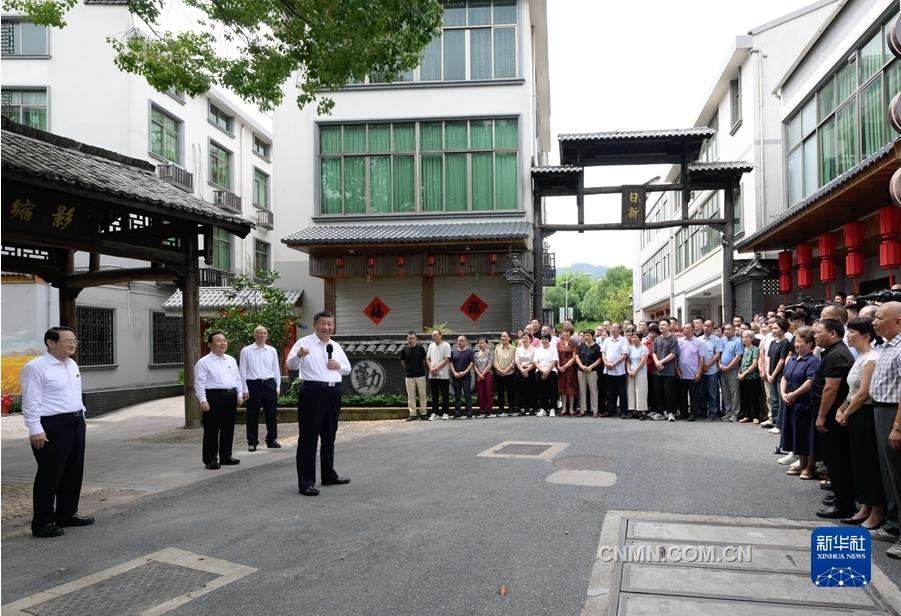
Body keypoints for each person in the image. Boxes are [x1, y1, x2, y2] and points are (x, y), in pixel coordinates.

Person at [21, 326, 94, 538]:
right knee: (50, 474)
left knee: (73, 471)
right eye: (67, 340)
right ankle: (42, 522)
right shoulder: (35, 367)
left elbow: (73, 394)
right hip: (51, 425)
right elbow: (31, 401)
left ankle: (67, 514)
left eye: (74, 340)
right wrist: (35, 429)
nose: (72, 344)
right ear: (51, 343)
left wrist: (81, 415)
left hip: (75, 421)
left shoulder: (71, 364)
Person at [286, 311, 352, 496]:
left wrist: (338, 366)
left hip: (333, 392)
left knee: (329, 435)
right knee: (309, 437)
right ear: (315, 325)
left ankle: (329, 475)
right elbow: (290, 365)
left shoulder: (335, 346)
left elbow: (347, 369)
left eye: (330, 324)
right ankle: (306, 482)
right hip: (312, 392)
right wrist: (298, 356)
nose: (326, 327)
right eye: (323, 323)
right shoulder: (303, 343)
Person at [835, 318, 884, 529]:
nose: (847, 335)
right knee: (859, 461)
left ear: (865, 334)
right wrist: (841, 409)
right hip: (855, 412)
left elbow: (864, 393)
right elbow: (852, 391)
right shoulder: (861, 357)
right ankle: (864, 506)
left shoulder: (872, 358)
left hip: (864, 414)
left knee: (868, 462)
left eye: (852, 331)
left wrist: (847, 413)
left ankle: (876, 510)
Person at [812, 319, 856, 519]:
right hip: (831, 412)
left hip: (832, 415)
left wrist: (821, 416)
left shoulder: (837, 355)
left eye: (819, 332)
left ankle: (844, 504)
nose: (815, 335)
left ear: (833, 333)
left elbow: (831, 388)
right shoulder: (832, 352)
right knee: (833, 458)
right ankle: (840, 495)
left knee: (836, 458)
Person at [869, 302, 901, 557]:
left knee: (897, 472)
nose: (874, 322)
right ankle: (893, 525)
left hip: (893, 414)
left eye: (880, 317)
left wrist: (898, 426)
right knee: (887, 472)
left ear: (898, 322)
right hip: (880, 410)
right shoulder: (885, 346)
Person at [195, 331, 245, 471]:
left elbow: (237, 378)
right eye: (218, 341)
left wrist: (239, 394)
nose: (223, 343)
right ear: (210, 344)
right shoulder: (204, 362)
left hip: (230, 396)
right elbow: (199, 383)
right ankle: (210, 459)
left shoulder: (231, 359)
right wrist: (202, 401)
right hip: (213, 396)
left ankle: (226, 456)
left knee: (228, 428)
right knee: (211, 430)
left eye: (224, 340)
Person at [779, 327, 819, 479]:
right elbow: (785, 377)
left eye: (800, 342)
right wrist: (783, 393)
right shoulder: (793, 359)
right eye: (796, 341)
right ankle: (801, 463)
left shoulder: (813, 361)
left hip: (804, 403)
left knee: (806, 435)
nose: (797, 345)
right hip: (790, 402)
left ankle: (810, 466)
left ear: (809, 344)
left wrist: (794, 394)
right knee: (796, 434)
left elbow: (811, 381)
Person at [239, 325, 281, 451]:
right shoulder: (246, 351)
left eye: (264, 333)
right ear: (254, 335)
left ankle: (271, 439)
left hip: (269, 384)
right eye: (259, 333)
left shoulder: (272, 350)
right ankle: (252, 441)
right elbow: (242, 371)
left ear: (267, 335)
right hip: (253, 385)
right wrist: (244, 389)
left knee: (271, 413)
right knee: (252, 414)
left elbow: (276, 370)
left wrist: (277, 387)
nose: (262, 335)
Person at [764, 318, 791, 435]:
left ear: (783, 330)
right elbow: (768, 358)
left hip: (779, 375)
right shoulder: (772, 342)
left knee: (780, 401)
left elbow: (782, 360)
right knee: (773, 399)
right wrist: (768, 373)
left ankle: (781, 425)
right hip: (771, 374)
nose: (773, 330)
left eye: (776, 328)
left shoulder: (786, 343)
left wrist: (773, 374)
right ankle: (774, 422)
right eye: (773, 328)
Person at [652, 318, 680, 422]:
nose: (661, 326)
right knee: (658, 392)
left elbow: (673, 354)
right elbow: (653, 352)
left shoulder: (673, 339)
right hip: (657, 370)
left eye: (663, 325)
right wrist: (657, 362)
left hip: (668, 371)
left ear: (669, 326)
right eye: (660, 325)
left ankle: (671, 412)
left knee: (669, 392)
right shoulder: (657, 339)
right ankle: (660, 412)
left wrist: (661, 362)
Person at [676, 324, 705, 422]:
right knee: (682, 395)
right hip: (681, 374)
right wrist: (678, 371)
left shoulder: (699, 342)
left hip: (693, 374)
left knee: (694, 396)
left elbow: (701, 358)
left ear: (693, 330)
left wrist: (699, 372)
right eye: (684, 328)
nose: (685, 330)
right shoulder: (679, 341)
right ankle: (683, 413)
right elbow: (676, 357)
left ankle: (693, 413)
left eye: (688, 328)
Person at [399, 331, 428, 422]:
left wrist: (419, 368)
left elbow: (424, 360)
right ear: (407, 339)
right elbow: (402, 361)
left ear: (416, 339)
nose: (411, 340)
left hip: (420, 375)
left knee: (422, 395)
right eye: (409, 338)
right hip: (409, 376)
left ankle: (423, 413)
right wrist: (408, 368)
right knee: (411, 396)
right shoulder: (404, 349)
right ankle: (413, 414)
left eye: (413, 338)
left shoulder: (420, 348)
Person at [603, 323, 630, 418]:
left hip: (619, 371)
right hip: (608, 370)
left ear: (619, 329)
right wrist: (606, 362)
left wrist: (614, 364)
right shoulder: (607, 340)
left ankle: (623, 412)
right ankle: (610, 410)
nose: (612, 329)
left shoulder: (623, 340)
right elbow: (603, 352)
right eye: (611, 328)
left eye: (614, 328)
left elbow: (624, 355)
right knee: (609, 392)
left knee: (622, 392)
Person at [719, 324, 743, 422]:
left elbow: (738, 357)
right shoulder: (722, 340)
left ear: (734, 330)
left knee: (734, 392)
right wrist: (720, 364)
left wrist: (728, 367)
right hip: (722, 369)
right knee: (725, 392)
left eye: (729, 329)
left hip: (733, 370)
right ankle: (727, 412)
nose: (726, 331)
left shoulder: (738, 341)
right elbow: (718, 353)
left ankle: (735, 413)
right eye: (725, 329)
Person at [426, 330, 452, 421]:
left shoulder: (446, 345)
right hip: (432, 375)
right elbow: (428, 359)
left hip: (444, 375)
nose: (434, 337)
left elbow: (446, 359)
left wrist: (436, 368)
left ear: (441, 336)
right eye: (433, 336)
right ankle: (435, 413)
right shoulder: (431, 345)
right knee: (434, 395)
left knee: (445, 395)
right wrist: (431, 369)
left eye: (436, 335)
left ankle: (445, 413)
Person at [737, 331, 763, 424]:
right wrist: (739, 373)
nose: (744, 339)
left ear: (752, 339)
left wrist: (744, 374)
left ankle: (756, 416)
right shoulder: (743, 349)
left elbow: (754, 364)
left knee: (754, 397)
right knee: (745, 396)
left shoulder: (755, 349)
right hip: (743, 377)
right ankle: (746, 415)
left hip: (752, 377)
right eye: (743, 337)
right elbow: (741, 363)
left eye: (746, 337)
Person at [700, 320, 723, 420]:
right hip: (701, 370)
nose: (706, 327)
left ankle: (712, 413)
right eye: (705, 325)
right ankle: (703, 412)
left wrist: (708, 365)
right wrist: (702, 367)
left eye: (708, 326)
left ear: (713, 328)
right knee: (702, 392)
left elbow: (717, 354)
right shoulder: (699, 339)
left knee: (712, 393)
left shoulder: (717, 340)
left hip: (712, 371)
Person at [576, 330, 602, 417]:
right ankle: (583, 409)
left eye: (588, 335)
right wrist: (581, 365)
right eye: (585, 336)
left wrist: (591, 367)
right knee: (582, 391)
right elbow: (577, 356)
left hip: (592, 371)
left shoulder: (597, 347)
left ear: (592, 336)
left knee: (593, 390)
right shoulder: (581, 345)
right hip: (581, 370)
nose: (586, 337)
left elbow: (599, 359)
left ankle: (594, 410)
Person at [534, 333, 559, 417]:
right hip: (540, 370)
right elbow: (535, 362)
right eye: (543, 339)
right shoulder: (538, 350)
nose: (544, 341)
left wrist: (547, 371)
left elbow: (555, 360)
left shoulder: (553, 349)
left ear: (549, 340)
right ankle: (543, 408)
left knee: (552, 390)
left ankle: (552, 408)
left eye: (546, 339)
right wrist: (542, 370)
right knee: (541, 390)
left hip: (551, 371)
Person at [493, 332, 516, 417]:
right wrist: (499, 369)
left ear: (509, 338)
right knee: (500, 392)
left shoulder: (514, 348)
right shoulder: (497, 348)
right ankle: (501, 409)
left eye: (505, 336)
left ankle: (511, 408)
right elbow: (495, 360)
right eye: (502, 336)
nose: (503, 338)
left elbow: (514, 361)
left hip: (510, 373)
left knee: (510, 392)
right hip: (499, 374)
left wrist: (506, 370)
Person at [451, 336, 474, 419]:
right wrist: (454, 373)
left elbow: (471, 363)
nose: (460, 342)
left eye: (461, 341)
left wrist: (464, 372)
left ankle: (469, 412)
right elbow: (451, 363)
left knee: (467, 395)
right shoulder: (454, 352)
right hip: (456, 377)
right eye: (458, 341)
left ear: (465, 342)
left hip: (466, 377)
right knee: (457, 395)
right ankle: (457, 413)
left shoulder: (469, 352)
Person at [626, 332, 649, 420]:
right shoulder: (631, 348)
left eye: (635, 337)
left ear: (640, 338)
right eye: (632, 337)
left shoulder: (644, 348)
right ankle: (632, 410)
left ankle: (641, 411)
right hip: (631, 371)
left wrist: (635, 371)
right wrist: (629, 370)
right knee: (630, 391)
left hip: (640, 372)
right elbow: (628, 361)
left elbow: (643, 361)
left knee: (641, 391)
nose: (633, 339)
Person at [556, 328, 579, 415]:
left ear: (571, 333)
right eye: (563, 332)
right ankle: (564, 408)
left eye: (567, 332)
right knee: (562, 389)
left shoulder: (574, 343)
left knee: (571, 389)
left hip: (570, 369)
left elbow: (574, 357)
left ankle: (571, 408)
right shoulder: (559, 343)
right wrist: (558, 366)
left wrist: (565, 366)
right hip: (560, 368)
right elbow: (556, 355)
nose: (565, 333)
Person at [515, 333, 537, 415]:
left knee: (531, 389)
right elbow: (517, 361)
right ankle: (521, 408)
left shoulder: (534, 349)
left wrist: (527, 370)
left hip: (530, 370)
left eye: (526, 338)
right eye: (523, 338)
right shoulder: (518, 349)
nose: (524, 340)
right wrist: (522, 370)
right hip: (520, 370)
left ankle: (531, 408)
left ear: (530, 339)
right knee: (521, 390)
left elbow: (535, 361)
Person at [473, 338, 494, 418]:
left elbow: (490, 364)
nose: (481, 344)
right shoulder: (476, 354)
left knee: (488, 392)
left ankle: (488, 410)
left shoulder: (489, 353)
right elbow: (474, 365)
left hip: (487, 374)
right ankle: (482, 409)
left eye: (483, 342)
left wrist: (483, 373)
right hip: (478, 375)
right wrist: (479, 374)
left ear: (486, 344)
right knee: (480, 393)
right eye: (480, 343)